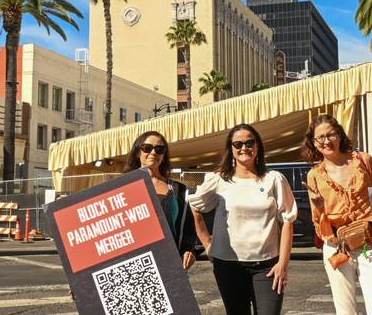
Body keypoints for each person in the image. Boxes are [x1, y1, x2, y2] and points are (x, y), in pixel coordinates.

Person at [189, 124, 297, 315]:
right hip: (228, 266)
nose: (244, 148)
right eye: (237, 144)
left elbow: (288, 221)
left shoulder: (273, 179)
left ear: (257, 146)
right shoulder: (219, 179)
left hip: (268, 266)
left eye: (249, 142)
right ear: (230, 149)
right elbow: (194, 206)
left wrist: (283, 264)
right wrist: (208, 244)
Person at [300, 115, 372, 315]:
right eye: (320, 138)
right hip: (338, 246)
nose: (327, 141)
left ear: (340, 135)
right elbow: (322, 230)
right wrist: (320, 207)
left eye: (331, 134)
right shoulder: (314, 175)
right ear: (313, 143)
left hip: (368, 245)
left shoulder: (363, 160)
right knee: (345, 310)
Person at [123, 131, 197, 270]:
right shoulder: (122, 188)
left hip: (169, 264)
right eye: (147, 148)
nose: (153, 152)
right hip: (131, 265)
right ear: (138, 152)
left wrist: (188, 250)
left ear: (164, 156)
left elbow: (187, 228)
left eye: (159, 149)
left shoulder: (178, 190)